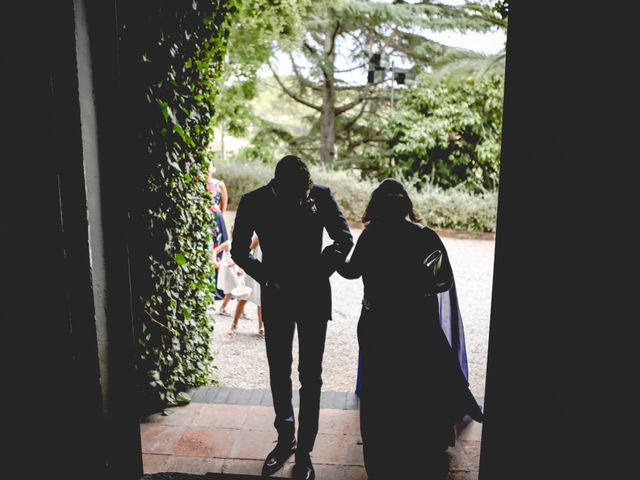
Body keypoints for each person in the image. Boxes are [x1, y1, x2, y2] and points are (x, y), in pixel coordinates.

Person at [337, 178, 483, 480]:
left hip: (376, 324)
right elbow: (444, 282)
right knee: (414, 384)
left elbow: (351, 272)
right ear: (407, 205)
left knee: (380, 389)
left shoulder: (371, 235)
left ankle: (381, 452)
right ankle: (416, 448)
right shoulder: (424, 237)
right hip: (415, 324)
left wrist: (334, 256)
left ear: (375, 205)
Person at [231, 155, 353, 480]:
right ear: (279, 186)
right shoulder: (253, 201)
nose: (303, 199)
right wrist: (266, 277)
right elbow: (238, 251)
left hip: (313, 295)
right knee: (278, 369)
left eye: (305, 194)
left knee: (311, 376)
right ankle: (285, 439)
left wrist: (322, 268)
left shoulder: (321, 196)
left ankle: (305, 452)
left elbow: (344, 239)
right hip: (277, 295)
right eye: (296, 195)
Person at [228, 234, 265, 337]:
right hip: (255, 269)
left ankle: (261, 327)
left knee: (261, 300)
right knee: (244, 297)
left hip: (265, 270)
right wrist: (242, 267)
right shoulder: (258, 236)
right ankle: (234, 324)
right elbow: (248, 249)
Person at [207, 161, 229, 300]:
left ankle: (221, 286)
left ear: (214, 168)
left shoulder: (219, 184)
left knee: (218, 250)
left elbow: (224, 205)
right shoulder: (198, 182)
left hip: (217, 219)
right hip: (204, 218)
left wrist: (218, 217)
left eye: (210, 165)